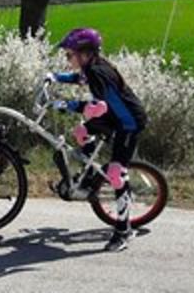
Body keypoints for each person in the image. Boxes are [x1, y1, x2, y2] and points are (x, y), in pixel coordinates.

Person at [52, 27, 147, 253]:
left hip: (128, 123)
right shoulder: (92, 67)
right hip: (113, 116)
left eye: (69, 55)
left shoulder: (99, 72)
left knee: (115, 174)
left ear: (84, 54)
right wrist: (56, 77)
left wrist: (69, 105)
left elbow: (98, 107)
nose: (67, 59)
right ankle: (90, 178)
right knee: (81, 132)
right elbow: (79, 78)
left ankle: (124, 231)